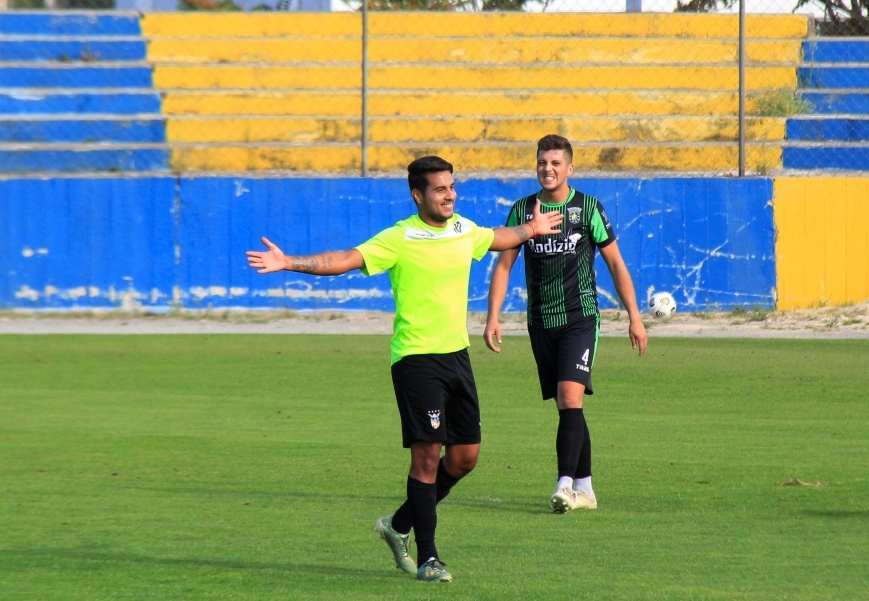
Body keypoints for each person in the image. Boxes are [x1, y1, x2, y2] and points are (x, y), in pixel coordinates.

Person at [246, 156, 563, 582]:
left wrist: (529, 230)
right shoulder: (400, 237)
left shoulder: (462, 229)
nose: (449, 194)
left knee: (466, 458)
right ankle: (430, 558)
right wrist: (289, 262)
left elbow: (495, 237)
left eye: (452, 186)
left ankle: (397, 526)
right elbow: (344, 259)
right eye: (439, 188)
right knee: (428, 456)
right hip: (415, 360)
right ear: (418, 195)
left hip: (457, 357)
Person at [484, 134, 647, 514]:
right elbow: (504, 265)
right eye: (543, 162)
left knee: (570, 397)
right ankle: (587, 490)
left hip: (580, 317)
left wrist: (635, 319)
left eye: (556, 163)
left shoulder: (588, 208)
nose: (548, 168)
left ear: (569, 168)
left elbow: (616, 264)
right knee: (567, 406)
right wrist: (493, 316)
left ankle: (564, 486)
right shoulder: (523, 210)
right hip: (540, 321)